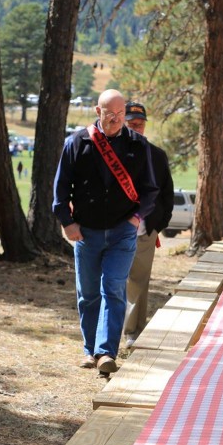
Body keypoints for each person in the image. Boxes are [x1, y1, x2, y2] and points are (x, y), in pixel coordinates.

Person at [53, 89, 159, 374]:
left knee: (113, 288)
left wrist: (137, 218)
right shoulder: (77, 142)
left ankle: (105, 353)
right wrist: (67, 222)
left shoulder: (138, 144)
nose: (115, 120)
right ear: (98, 112)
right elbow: (60, 190)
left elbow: (150, 190)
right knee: (88, 293)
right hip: (86, 232)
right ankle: (89, 349)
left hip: (123, 230)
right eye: (110, 114)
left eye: (120, 115)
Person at [122, 101, 175, 348]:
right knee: (111, 281)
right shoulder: (110, 153)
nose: (136, 128)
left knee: (138, 281)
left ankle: (132, 332)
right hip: (111, 227)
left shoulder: (156, 155)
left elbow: (167, 194)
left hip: (144, 229)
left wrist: (157, 224)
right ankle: (109, 333)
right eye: (131, 124)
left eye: (140, 124)